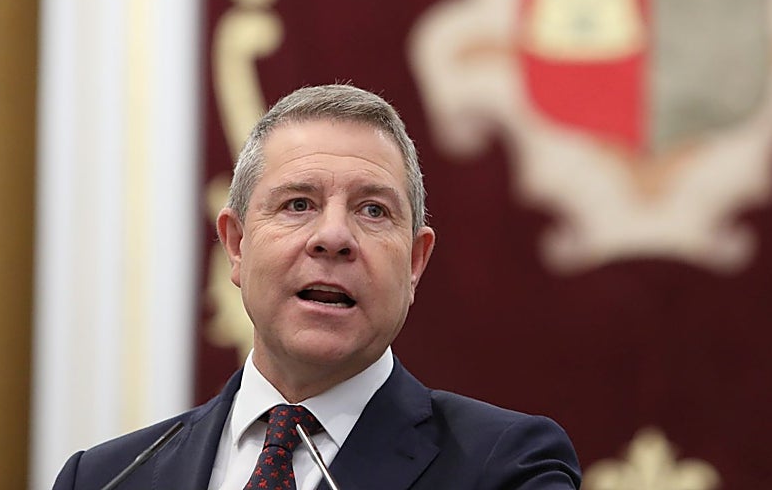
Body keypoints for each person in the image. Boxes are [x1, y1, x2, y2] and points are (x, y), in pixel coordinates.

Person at [51, 84, 581, 489]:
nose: (332, 237)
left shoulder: (508, 468)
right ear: (236, 245)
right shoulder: (104, 478)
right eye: (297, 204)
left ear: (416, 262)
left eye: (373, 210)